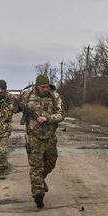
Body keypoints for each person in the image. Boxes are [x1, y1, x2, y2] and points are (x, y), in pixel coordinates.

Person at [20, 74, 64, 208]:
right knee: (36, 166)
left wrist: (47, 118)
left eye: (46, 86)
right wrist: (15, 107)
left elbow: (61, 115)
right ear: (37, 86)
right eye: (42, 87)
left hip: (50, 136)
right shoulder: (27, 95)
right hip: (34, 137)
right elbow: (15, 108)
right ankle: (38, 193)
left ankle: (39, 179)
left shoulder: (54, 96)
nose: (45, 89)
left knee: (51, 162)